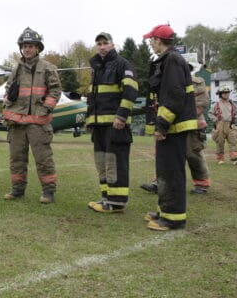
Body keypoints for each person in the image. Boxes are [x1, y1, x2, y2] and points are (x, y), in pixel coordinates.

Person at [143, 24, 198, 231]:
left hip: (174, 126)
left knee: (172, 171)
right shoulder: (169, 59)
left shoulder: (172, 60)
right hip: (173, 126)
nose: (150, 43)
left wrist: (162, 125)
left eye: (151, 40)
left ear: (158, 40)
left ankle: (173, 218)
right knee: (164, 171)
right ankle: (165, 211)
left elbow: (174, 95)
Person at [2, 27, 62, 204]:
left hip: (38, 123)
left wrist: (45, 109)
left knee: (44, 159)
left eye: (30, 46)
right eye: (24, 46)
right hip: (17, 123)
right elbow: (8, 88)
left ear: (37, 48)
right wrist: (7, 100)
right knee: (17, 159)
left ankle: (48, 192)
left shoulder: (48, 68)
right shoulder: (16, 69)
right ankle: (17, 190)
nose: (27, 49)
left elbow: (55, 90)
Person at [86, 32, 138, 213]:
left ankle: (116, 202)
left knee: (115, 163)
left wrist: (121, 116)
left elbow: (131, 91)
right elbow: (93, 97)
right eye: (99, 43)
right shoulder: (96, 68)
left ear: (113, 45)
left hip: (116, 125)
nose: (102, 46)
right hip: (98, 126)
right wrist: (90, 120)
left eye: (105, 43)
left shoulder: (123, 64)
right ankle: (106, 198)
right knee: (102, 162)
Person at [140, 63, 212, 194]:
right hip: (168, 125)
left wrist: (174, 116)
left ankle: (201, 184)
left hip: (191, 125)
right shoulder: (163, 82)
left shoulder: (197, 82)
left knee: (193, 154)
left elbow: (201, 104)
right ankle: (160, 183)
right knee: (164, 155)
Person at [208, 85, 237, 164]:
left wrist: (235, 120)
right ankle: (220, 159)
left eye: (227, 92)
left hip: (230, 124)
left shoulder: (232, 104)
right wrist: (216, 120)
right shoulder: (216, 104)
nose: (226, 94)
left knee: (233, 140)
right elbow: (210, 113)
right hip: (220, 124)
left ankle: (234, 157)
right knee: (220, 142)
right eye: (224, 92)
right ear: (220, 94)